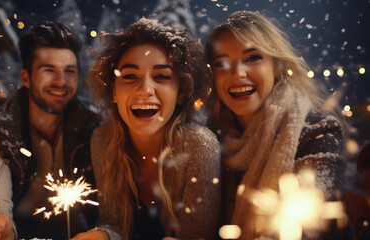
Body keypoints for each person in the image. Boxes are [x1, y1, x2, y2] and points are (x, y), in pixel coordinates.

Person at [0, 21, 99, 240]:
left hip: (78, 232)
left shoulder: (94, 129)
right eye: (49, 70)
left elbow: (112, 211)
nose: (61, 81)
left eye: (69, 71)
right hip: (18, 230)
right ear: (26, 78)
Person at [72, 17, 221, 240]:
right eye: (130, 76)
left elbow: (198, 236)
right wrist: (101, 236)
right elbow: (113, 223)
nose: (145, 89)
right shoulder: (103, 139)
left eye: (161, 76)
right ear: (114, 90)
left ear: (181, 92)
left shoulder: (200, 146)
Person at [205, 11, 347, 239]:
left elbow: (310, 222)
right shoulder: (211, 139)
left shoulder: (317, 130)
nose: (238, 73)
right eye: (222, 62)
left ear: (277, 66)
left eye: (252, 58)